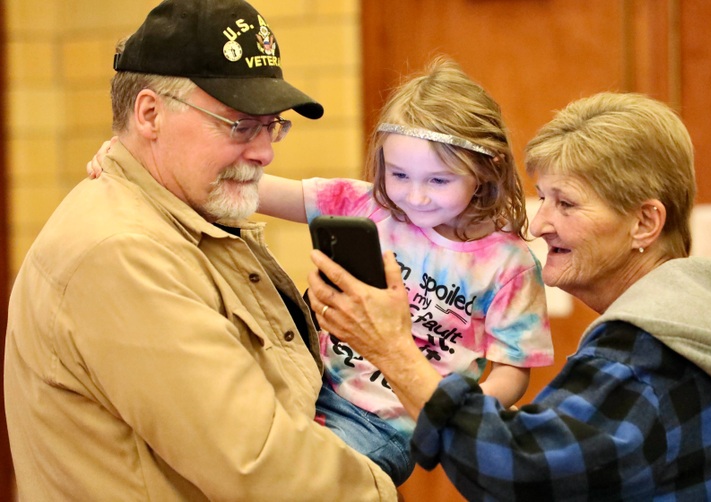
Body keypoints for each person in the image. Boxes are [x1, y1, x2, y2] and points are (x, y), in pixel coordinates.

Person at [86, 56, 555, 486]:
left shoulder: (508, 265)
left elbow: (513, 370)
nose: (415, 196)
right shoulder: (361, 204)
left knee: (303, 484)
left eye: (438, 180)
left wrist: (458, 413)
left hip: (389, 424)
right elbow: (243, 186)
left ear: (486, 170)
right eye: (399, 175)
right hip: (306, 387)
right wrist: (141, 163)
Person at [3, 0, 396, 500]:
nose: (265, 151)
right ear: (150, 114)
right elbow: (259, 461)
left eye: (271, 124)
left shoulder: (180, 216)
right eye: (239, 125)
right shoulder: (122, 252)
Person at [304, 92, 711, 500]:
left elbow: (518, 470)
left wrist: (393, 350)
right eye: (543, 198)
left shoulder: (644, 354)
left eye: (567, 203)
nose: (538, 225)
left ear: (644, 223)